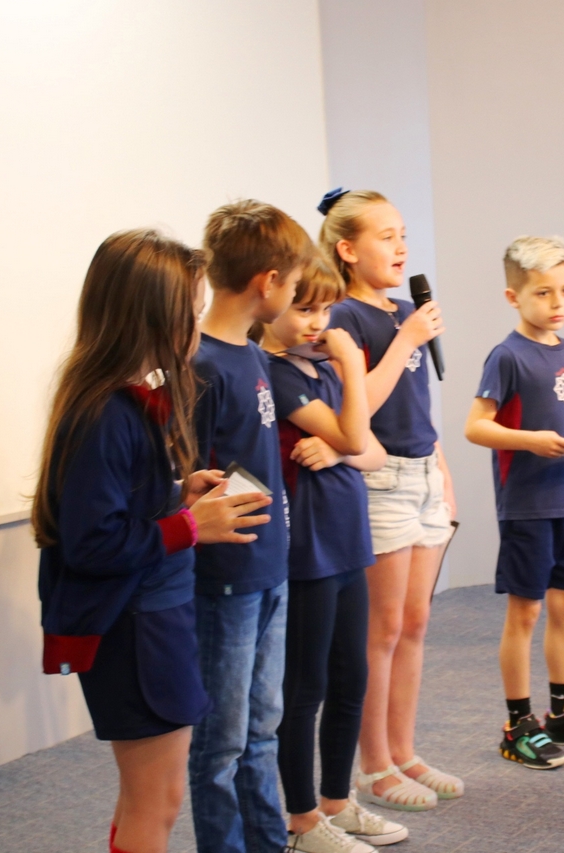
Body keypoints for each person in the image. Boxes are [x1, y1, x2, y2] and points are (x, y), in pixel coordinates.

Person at [34, 229, 273, 853]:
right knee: (156, 801)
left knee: (149, 798)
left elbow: (118, 506)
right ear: (152, 319)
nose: (197, 327)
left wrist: (177, 493)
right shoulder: (105, 412)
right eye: (190, 314)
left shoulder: (126, 401)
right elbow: (93, 544)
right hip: (134, 629)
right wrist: (191, 525)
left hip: (152, 619)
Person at [253, 257, 406, 853]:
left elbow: (372, 451)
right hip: (307, 551)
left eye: (324, 310)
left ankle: (338, 802)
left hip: (347, 545)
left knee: (351, 677)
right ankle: (301, 818)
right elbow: (355, 434)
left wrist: (341, 450)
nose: (318, 322)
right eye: (305, 308)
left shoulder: (323, 371)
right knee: (306, 685)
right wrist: (351, 363)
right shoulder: (276, 372)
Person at [465, 235, 564, 769]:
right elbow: (476, 427)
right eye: (543, 292)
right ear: (513, 297)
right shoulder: (507, 356)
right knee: (527, 612)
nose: (558, 303)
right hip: (527, 505)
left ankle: (562, 713)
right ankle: (518, 724)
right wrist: (530, 440)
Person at [320, 189, 460, 810]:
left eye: (403, 234)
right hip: (380, 482)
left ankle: (404, 752)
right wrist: (405, 340)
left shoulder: (407, 311)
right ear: (348, 250)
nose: (401, 247)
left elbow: (417, 406)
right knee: (381, 630)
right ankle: (372, 766)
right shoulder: (342, 317)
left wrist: (443, 474)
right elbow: (359, 411)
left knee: (415, 623)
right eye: (386, 236)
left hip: (424, 474)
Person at [190, 201, 315, 853]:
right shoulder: (201, 363)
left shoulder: (254, 357)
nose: (294, 295)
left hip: (270, 569)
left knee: (263, 727)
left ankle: (268, 842)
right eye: (293, 283)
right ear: (267, 282)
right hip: (227, 579)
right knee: (221, 742)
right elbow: (193, 477)